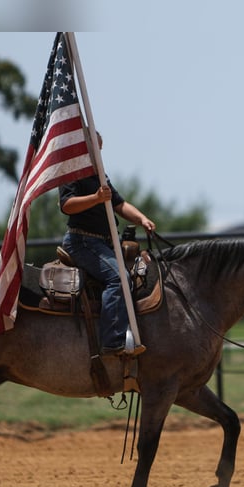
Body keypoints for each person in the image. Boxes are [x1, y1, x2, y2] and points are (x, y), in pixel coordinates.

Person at [59, 133, 155, 357]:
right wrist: (96, 198)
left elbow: (119, 204)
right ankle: (112, 340)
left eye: (99, 149)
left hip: (103, 242)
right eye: (94, 149)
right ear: (83, 148)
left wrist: (141, 219)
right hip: (82, 241)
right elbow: (66, 205)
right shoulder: (71, 172)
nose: (98, 154)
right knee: (120, 277)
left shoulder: (99, 175)